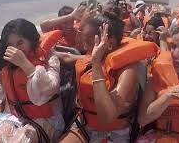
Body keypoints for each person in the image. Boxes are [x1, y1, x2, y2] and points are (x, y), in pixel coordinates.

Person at [59, 13, 158, 143]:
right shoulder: (93, 58)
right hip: (84, 127)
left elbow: (107, 117)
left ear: (109, 43)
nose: (84, 47)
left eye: (89, 42)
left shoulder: (128, 71)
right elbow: (67, 57)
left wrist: (95, 64)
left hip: (113, 133)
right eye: (84, 41)